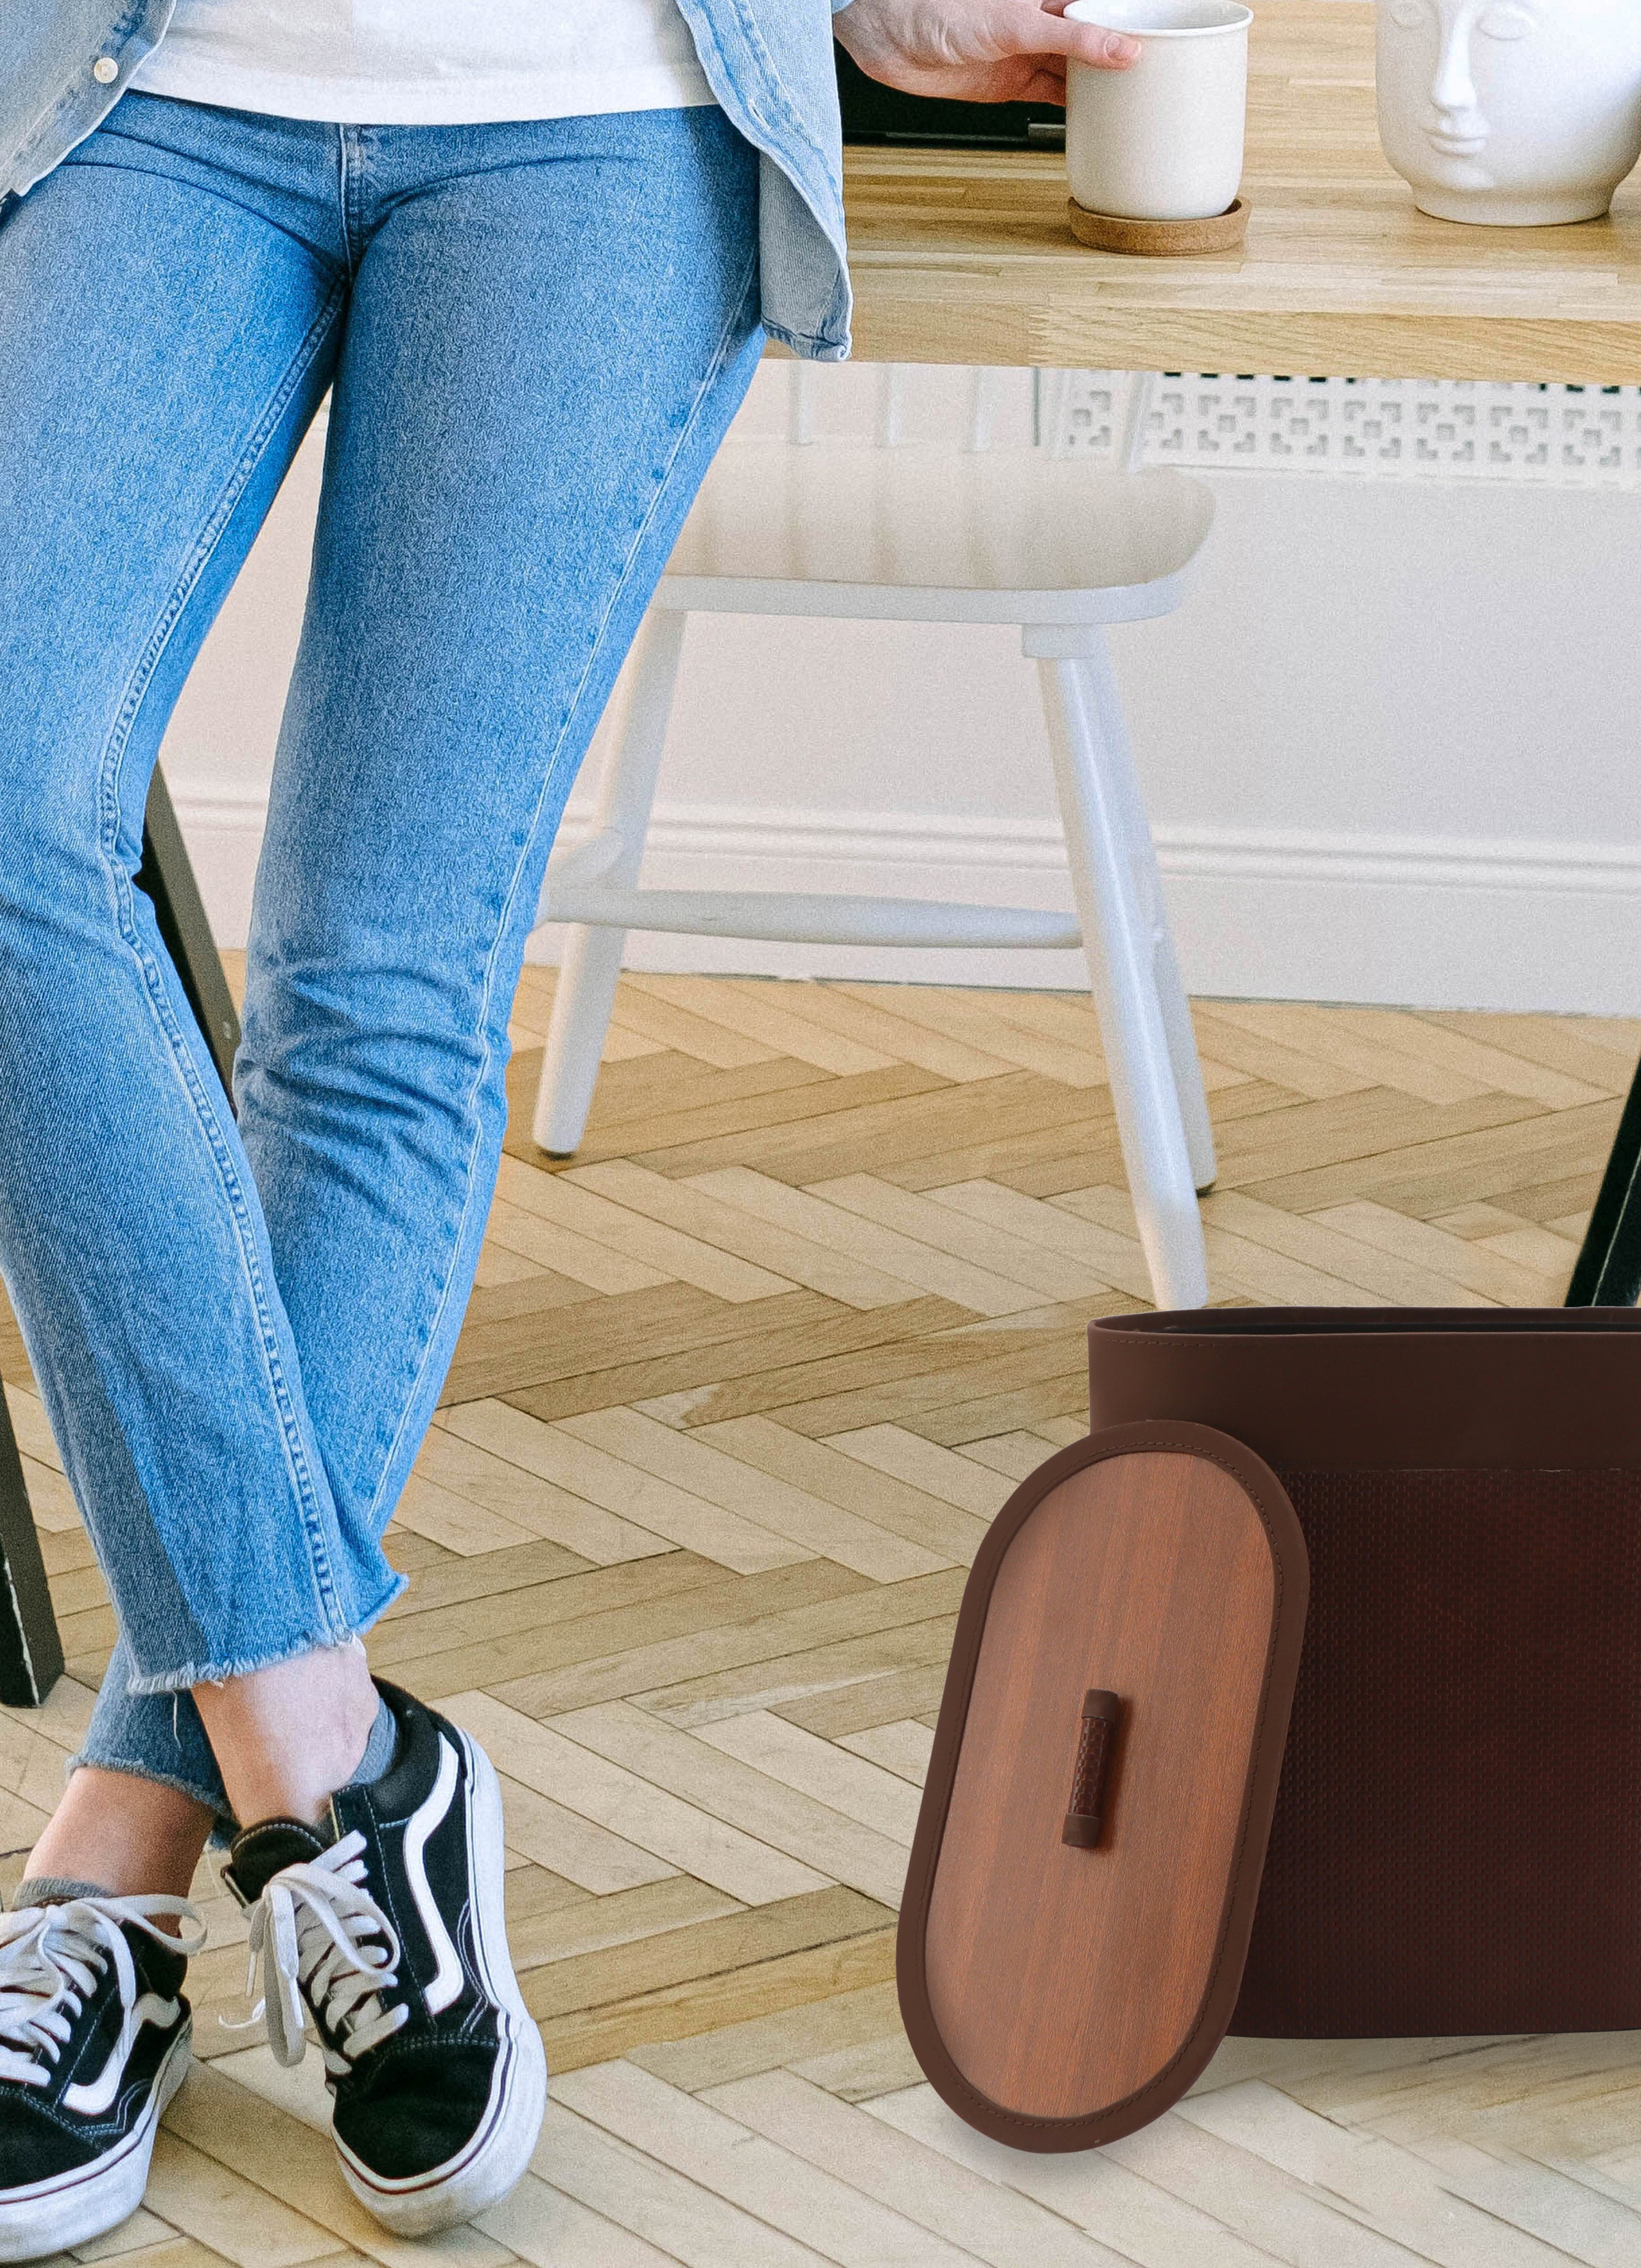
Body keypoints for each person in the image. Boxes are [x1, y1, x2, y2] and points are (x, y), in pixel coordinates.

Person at [0, 0, 1139, 2253]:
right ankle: (335, 1769)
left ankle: (118, 1864)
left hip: (593, 120)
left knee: (373, 980)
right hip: (151, 86)